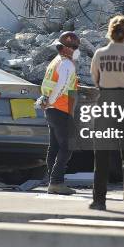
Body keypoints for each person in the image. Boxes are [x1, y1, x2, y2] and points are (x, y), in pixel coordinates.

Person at [89, 15, 124, 211]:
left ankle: (99, 200)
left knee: (101, 155)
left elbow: (95, 79)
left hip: (106, 102)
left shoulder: (100, 53)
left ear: (110, 32)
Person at [38, 31, 80, 195]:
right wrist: (53, 100)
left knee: (55, 146)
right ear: (68, 49)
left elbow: (53, 83)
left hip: (52, 110)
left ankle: (52, 181)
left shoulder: (55, 62)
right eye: (74, 48)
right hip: (60, 108)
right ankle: (56, 182)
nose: (75, 51)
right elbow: (61, 85)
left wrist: (48, 102)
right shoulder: (67, 64)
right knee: (67, 145)